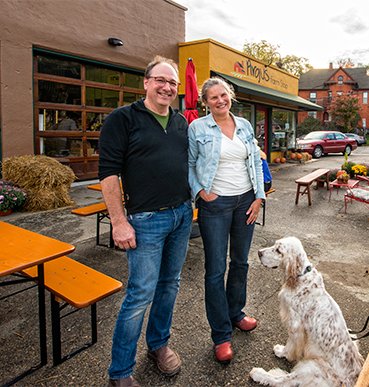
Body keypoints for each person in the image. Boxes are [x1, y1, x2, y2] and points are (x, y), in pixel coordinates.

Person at [98, 56, 192, 387]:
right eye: (160, 80)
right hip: (145, 220)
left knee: (170, 284)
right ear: (146, 82)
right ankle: (120, 371)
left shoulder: (181, 122)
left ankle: (158, 344)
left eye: (173, 83)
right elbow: (108, 173)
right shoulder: (122, 119)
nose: (167, 87)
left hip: (182, 214)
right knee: (140, 293)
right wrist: (118, 221)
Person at [188, 77, 265, 363]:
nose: (220, 101)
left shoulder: (243, 125)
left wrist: (258, 196)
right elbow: (190, 163)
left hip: (246, 201)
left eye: (224, 95)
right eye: (213, 97)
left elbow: (255, 160)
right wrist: (200, 192)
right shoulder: (197, 127)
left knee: (241, 262)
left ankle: (236, 314)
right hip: (216, 206)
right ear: (205, 102)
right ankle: (221, 334)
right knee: (215, 269)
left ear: (229, 96)